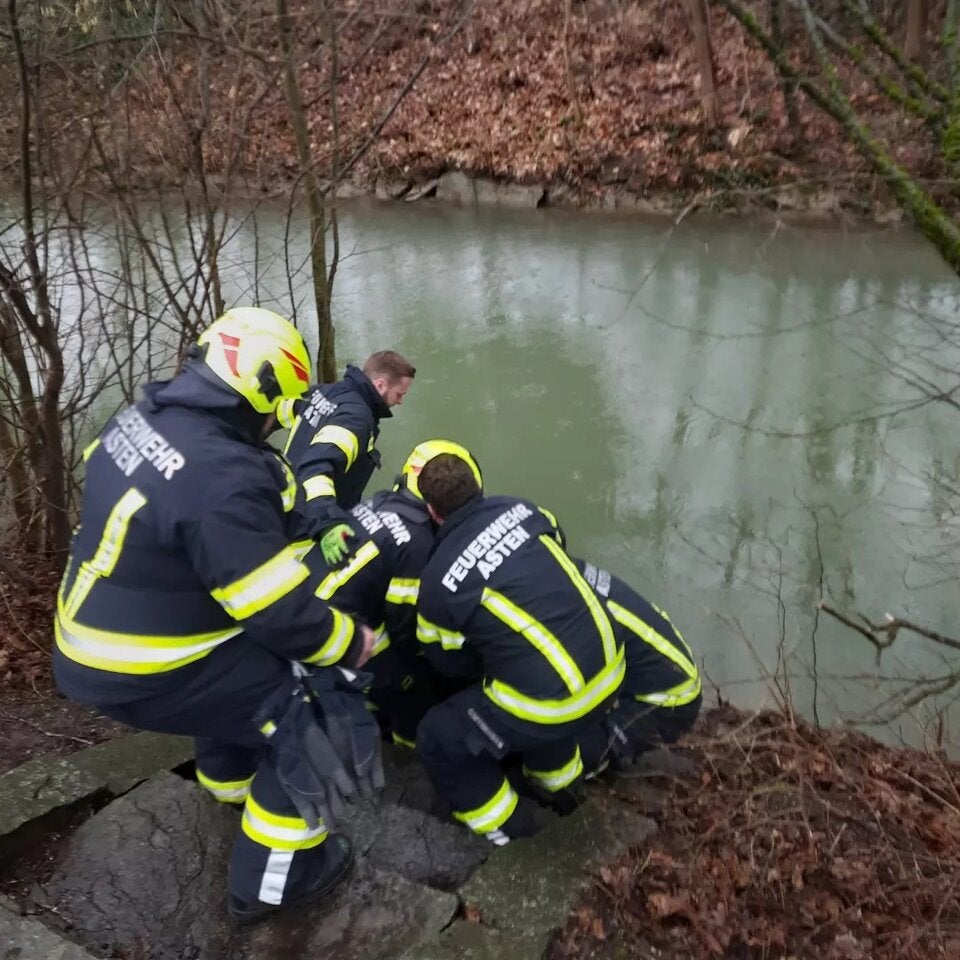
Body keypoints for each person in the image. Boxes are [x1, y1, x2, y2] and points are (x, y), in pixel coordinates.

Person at [52, 307, 377, 924]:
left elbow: (178, 511)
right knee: (322, 711)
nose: (273, 426)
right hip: (149, 665)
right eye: (277, 411)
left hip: (91, 639)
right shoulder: (225, 474)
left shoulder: (140, 417)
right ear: (264, 393)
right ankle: (274, 881)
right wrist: (349, 641)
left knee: (242, 679)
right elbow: (279, 613)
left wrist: (307, 519)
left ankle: (234, 789)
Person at [412, 444, 626, 845]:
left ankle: (510, 828)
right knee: (542, 683)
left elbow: (445, 660)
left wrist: (494, 654)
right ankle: (558, 784)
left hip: (553, 704)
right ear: (478, 486)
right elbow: (558, 546)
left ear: (432, 512)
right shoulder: (524, 510)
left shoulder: (437, 579)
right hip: (612, 665)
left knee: (437, 737)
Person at [302, 440, 475, 746]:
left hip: (301, 611)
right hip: (329, 633)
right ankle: (407, 746)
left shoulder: (383, 500)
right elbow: (405, 626)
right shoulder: (417, 545)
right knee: (411, 685)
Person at [279, 350, 416, 565]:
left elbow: (278, 410)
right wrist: (327, 523)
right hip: (305, 531)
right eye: (399, 394)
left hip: (281, 506)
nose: (400, 402)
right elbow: (315, 469)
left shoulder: (325, 392)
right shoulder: (355, 419)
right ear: (380, 385)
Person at [573, 560, 701, 775]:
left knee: (574, 750)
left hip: (668, 704)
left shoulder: (571, 608)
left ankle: (608, 755)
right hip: (668, 669)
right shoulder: (563, 570)